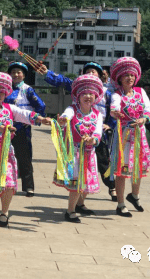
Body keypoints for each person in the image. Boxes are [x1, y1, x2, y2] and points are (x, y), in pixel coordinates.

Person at [0, 72, 50, 227]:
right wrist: (1, 128)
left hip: (6, 151)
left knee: (8, 183)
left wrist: (41, 119)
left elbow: (24, 114)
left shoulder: (10, 108)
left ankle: (4, 213)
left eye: (1, 92)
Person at [38, 61, 117, 201]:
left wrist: (109, 125)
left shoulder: (107, 93)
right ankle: (77, 198)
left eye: (94, 71)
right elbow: (61, 80)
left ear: (99, 75)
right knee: (80, 165)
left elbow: (114, 111)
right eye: (88, 71)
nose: (91, 73)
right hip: (78, 131)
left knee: (105, 162)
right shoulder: (77, 86)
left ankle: (112, 187)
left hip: (98, 132)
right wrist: (46, 73)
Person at [55, 75, 104, 223]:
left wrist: (93, 139)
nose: (88, 96)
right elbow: (66, 117)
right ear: (78, 96)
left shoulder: (97, 114)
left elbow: (98, 131)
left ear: (95, 96)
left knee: (85, 182)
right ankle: (70, 211)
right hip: (74, 153)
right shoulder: (72, 109)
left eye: (91, 94)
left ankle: (79, 204)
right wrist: (63, 120)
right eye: (84, 93)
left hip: (89, 153)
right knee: (76, 183)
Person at [109, 57, 150, 217]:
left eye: (132, 75)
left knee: (138, 168)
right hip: (124, 137)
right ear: (120, 78)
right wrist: (115, 113)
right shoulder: (117, 94)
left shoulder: (141, 92)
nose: (130, 78)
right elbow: (113, 108)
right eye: (126, 75)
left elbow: (147, 110)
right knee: (122, 170)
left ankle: (134, 195)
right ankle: (120, 204)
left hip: (139, 136)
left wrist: (144, 119)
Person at [5, 62, 45, 197]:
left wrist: (32, 120)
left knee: (25, 157)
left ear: (24, 75)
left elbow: (41, 105)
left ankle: (29, 187)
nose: (16, 75)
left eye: (19, 72)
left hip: (23, 128)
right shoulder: (5, 88)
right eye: (13, 72)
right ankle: (7, 184)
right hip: (6, 128)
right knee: (5, 156)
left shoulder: (28, 89)